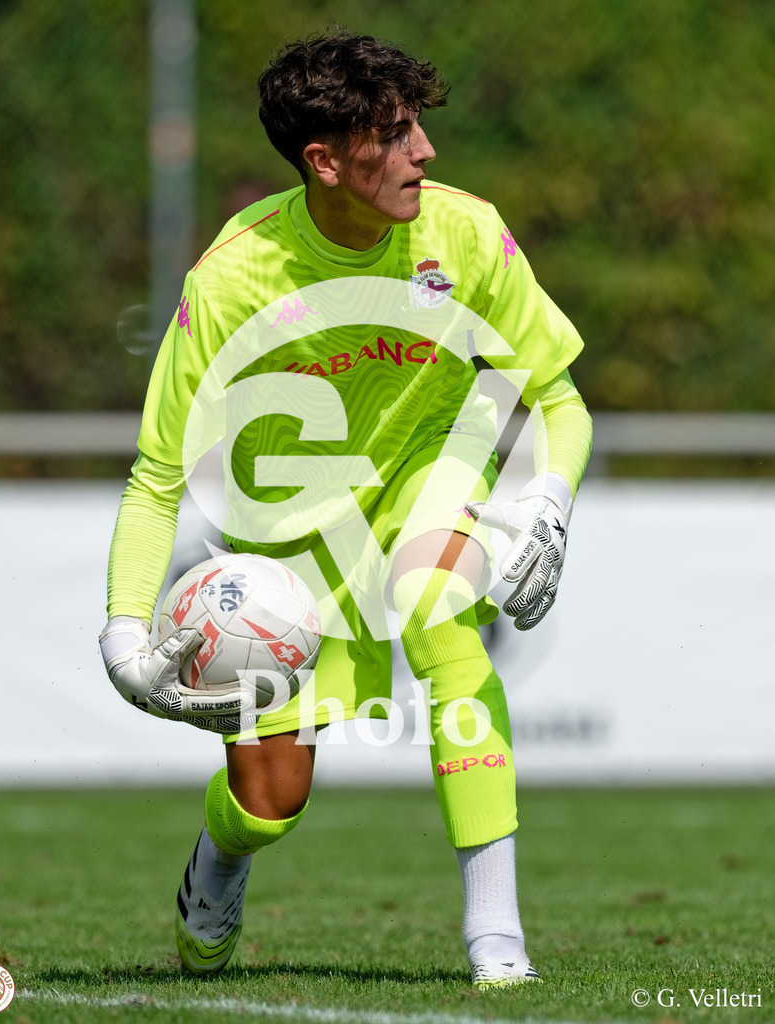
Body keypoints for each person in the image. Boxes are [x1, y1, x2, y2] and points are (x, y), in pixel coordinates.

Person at [98, 31, 592, 989]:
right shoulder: (232, 277)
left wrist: (550, 498)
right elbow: (157, 475)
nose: (425, 152)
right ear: (324, 161)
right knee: (270, 802)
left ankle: (497, 943)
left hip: (427, 476)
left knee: (442, 619)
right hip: (290, 532)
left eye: (418, 128)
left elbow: (557, 400)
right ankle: (219, 864)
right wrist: (123, 633)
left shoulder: (466, 233)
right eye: (395, 135)